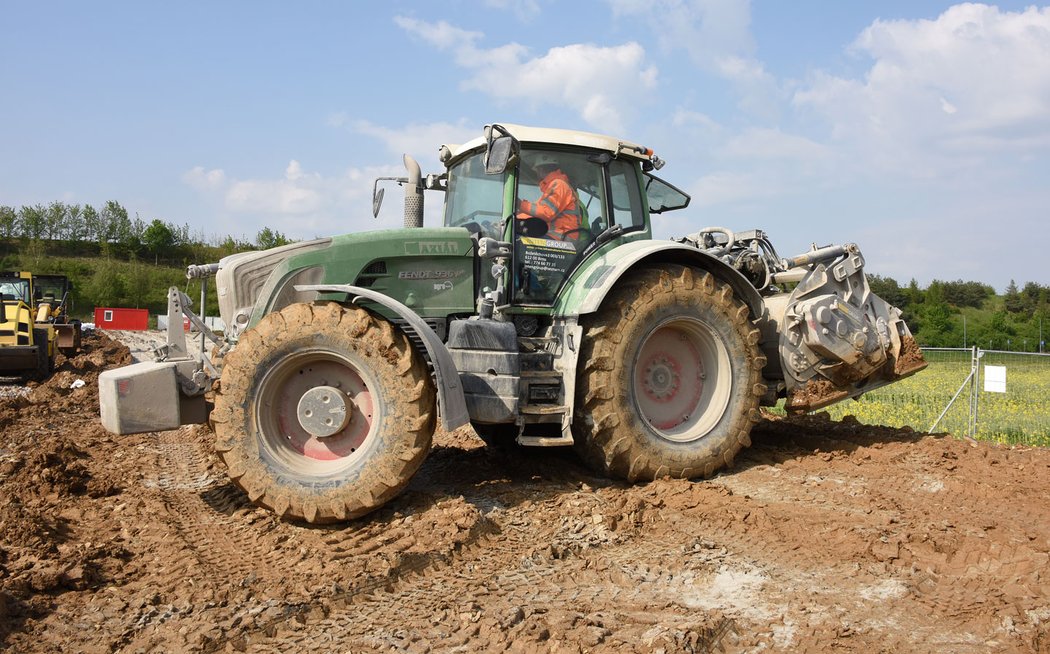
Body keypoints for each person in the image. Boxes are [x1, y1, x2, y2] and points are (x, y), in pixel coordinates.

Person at [516, 153, 582, 240]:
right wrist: (516, 217)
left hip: (562, 237)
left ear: (541, 169)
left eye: (537, 171)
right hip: (556, 235)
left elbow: (546, 212)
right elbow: (537, 212)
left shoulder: (559, 184)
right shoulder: (554, 187)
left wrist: (520, 204)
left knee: (518, 240)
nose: (537, 174)